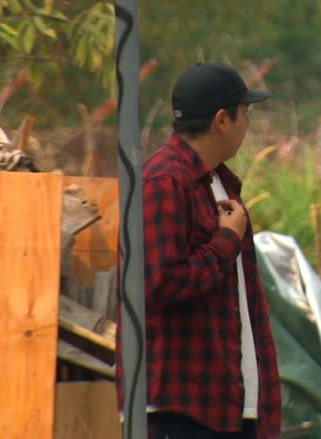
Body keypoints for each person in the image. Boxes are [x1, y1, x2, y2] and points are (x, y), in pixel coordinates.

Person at [115, 62, 281, 438]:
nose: (247, 126)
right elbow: (161, 282)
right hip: (178, 411)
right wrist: (226, 242)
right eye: (245, 115)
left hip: (223, 407)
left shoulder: (218, 182)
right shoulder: (164, 181)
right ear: (222, 120)